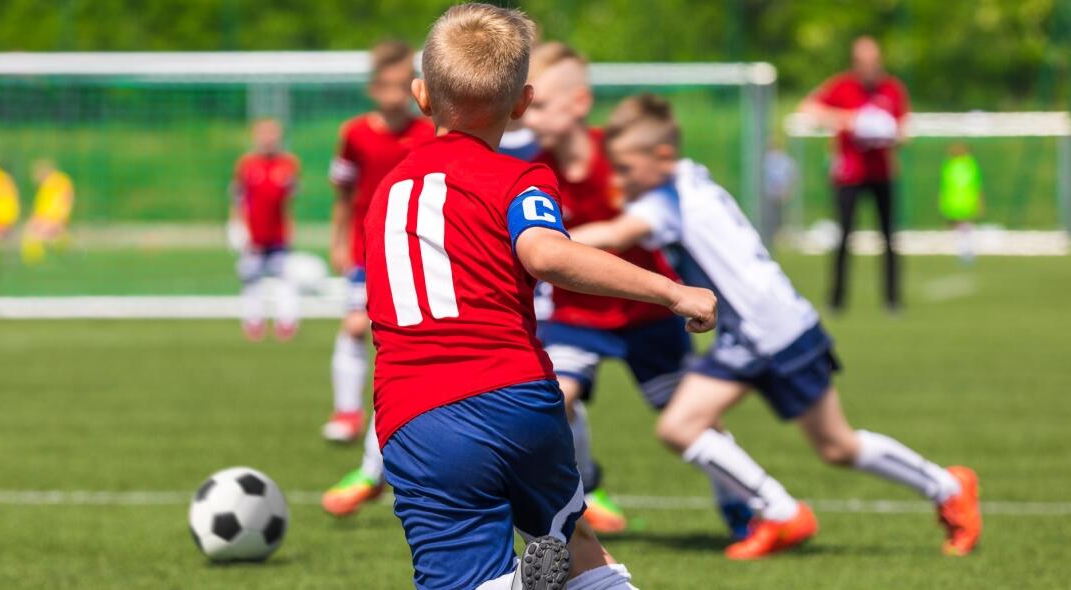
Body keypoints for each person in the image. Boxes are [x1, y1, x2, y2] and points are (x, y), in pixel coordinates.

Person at [366, 6, 718, 588]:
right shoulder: (517, 179)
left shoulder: (386, 194)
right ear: (523, 103)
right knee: (577, 541)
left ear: (421, 96)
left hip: (421, 415)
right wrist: (673, 292)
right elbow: (548, 253)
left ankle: (515, 585)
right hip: (518, 398)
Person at [570, 93, 982, 560]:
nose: (620, 181)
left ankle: (947, 486)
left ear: (662, 156)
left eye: (626, 168)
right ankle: (780, 510)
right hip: (755, 330)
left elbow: (611, 235)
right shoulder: (688, 179)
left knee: (836, 446)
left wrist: (535, 241)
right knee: (683, 426)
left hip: (773, 330)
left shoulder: (666, 200)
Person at [520, 41, 750, 538]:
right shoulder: (533, 173)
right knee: (555, 397)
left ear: (578, 104)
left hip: (646, 315)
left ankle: (741, 505)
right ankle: (587, 486)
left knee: (691, 418)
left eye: (538, 104)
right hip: (576, 317)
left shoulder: (625, 157)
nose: (527, 116)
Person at [322, 40, 437, 444]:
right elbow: (342, 194)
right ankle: (347, 412)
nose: (392, 94)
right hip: (365, 249)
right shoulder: (354, 134)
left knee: (409, 339)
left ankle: (401, 419)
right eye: (384, 85)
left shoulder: (428, 133)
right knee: (354, 327)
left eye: (400, 85)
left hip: (414, 251)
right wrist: (337, 243)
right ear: (373, 89)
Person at [799, 35, 909, 314]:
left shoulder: (892, 89)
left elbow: (904, 128)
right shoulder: (842, 86)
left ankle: (892, 299)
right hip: (850, 174)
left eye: (874, 61)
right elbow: (808, 108)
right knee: (844, 236)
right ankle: (837, 299)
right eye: (864, 61)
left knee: (888, 236)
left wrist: (887, 131)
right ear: (855, 63)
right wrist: (848, 120)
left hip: (882, 173)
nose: (869, 67)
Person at [229, 118, 301, 341]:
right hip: (253, 235)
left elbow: (289, 200)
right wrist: (237, 226)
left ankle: (286, 322)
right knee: (251, 280)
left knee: (284, 279)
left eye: (273, 133)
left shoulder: (288, 164)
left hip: (278, 235)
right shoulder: (246, 164)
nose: (268, 139)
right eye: (264, 133)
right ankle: (253, 322)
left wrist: (291, 228)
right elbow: (238, 197)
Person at [20, 159, 74, 265]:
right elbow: (42, 203)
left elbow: (65, 198)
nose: (36, 177)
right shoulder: (48, 184)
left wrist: (61, 216)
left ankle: (34, 261)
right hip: (46, 216)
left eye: (38, 173)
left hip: (52, 216)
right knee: (44, 236)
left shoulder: (58, 181)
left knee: (33, 235)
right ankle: (64, 250)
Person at [938, 142, 983, 265]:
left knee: (966, 226)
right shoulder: (949, 165)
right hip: (954, 201)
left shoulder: (970, 165)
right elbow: (944, 185)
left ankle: (967, 251)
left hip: (967, 200)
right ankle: (962, 250)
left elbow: (977, 184)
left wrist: (979, 201)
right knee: (958, 226)